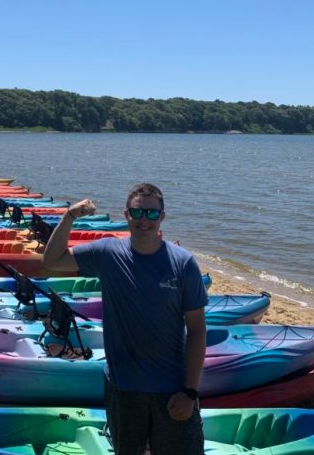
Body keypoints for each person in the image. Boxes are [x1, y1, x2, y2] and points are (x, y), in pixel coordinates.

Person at [42, 182, 208, 455]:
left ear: (162, 217)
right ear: (126, 215)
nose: (145, 220)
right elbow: (51, 261)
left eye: (152, 214)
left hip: (172, 390)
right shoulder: (107, 254)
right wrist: (69, 216)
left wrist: (190, 392)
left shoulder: (183, 263)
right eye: (138, 213)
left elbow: (198, 331)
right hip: (124, 390)